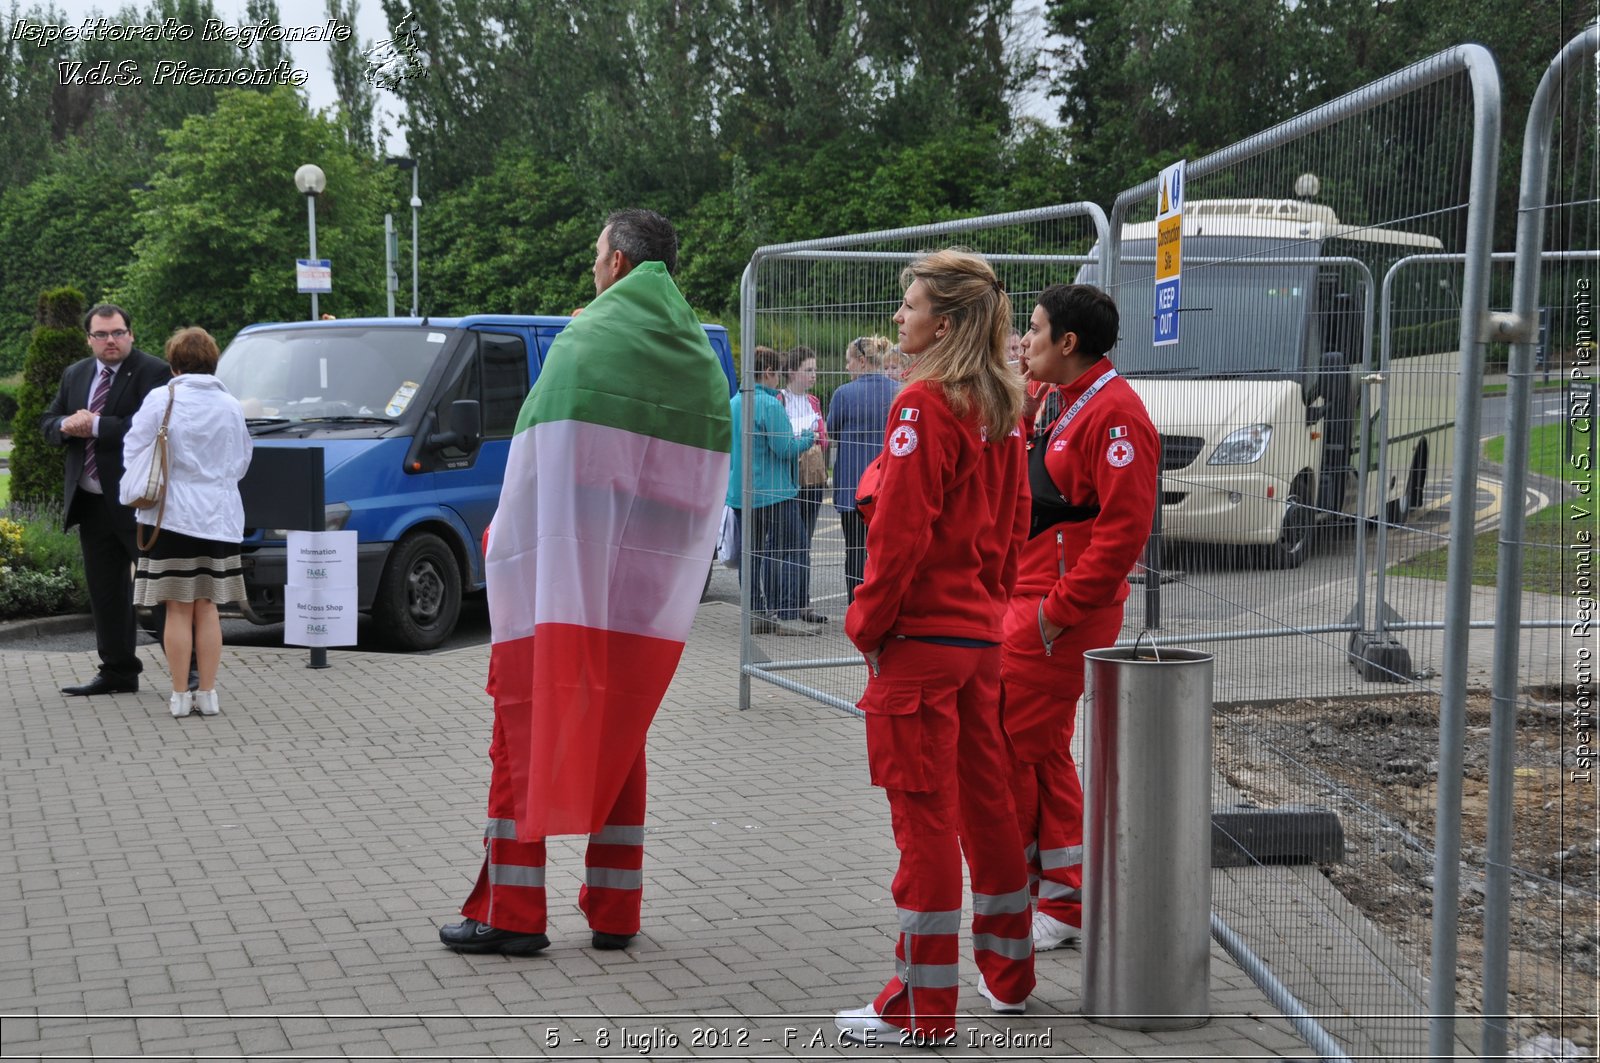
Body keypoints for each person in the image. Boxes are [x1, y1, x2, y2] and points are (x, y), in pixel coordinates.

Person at [438, 209, 731, 956]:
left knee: (521, 730)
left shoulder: (585, 341)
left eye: (597, 256)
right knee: (620, 731)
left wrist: (504, 543)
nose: (592, 268)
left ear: (622, 264)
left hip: (559, 583)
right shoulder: (696, 352)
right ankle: (614, 909)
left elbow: (540, 467)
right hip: (639, 596)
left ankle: (512, 913)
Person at [836, 249, 1035, 1044]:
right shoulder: (1001, 406)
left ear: (942, 323)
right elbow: (1015, 529)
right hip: (978, 638)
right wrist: (992, 607)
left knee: (924, 826)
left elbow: (899, 533)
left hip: (921, 642)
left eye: (909, 305)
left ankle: (921, 1009)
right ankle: (1008, 973)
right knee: (988, 809)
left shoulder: (922, 406)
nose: (898, 317)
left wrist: (866, 623)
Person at [1003, 284, 1159, 951]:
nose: (1024, 341)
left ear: (1068, 342)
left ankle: (1049, 901)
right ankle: (1062, 897)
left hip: (1059, 613)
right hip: (1031, 599)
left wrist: (1054, 615)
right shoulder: (1052, 397)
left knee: (1012, 746)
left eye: (1034, 331)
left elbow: (1122, 537)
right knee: (1036, 750)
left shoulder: (1118, 415)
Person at [120, 328, 252, 719]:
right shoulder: (230, 404)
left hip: (170, 517)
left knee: (177, 609)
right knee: (207, 607)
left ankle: (180, 695)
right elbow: (242, 461)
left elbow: (134, 449)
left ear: (174, 365)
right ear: (214, 363)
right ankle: (208, 695)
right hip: (219, 519)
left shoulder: (163, 397)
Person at [41, 304, 172, 697]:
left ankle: (191, 668)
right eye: (101, 334)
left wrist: (95, 425)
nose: (110, 341)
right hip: (91, 501)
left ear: (131, 334)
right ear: (89, 339)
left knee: (160, 590)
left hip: (137, 503)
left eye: (117, 333)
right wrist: (65, 425)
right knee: (106, 594)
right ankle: (118, 671)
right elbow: (47, 422)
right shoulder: (76, 374)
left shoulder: (154, 372)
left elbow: (151, 428)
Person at [726, 345, 818, 634]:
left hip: (742, 493)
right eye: (777, 374)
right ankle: (789, 617)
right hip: (776, 494)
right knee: (794, 548)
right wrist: (807, 436)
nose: (778, 380)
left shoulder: (734, 403)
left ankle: (755, 614)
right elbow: (785, 448)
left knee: (751, 554)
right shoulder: (769, 404)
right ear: (767, 372)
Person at [824, 336, 896, 602]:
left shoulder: (844, 394)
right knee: (884, 551)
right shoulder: (898, 390)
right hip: (886, 484)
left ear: (862, 361)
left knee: (854, 549)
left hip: (852, 487)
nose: (846, 368)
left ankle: (856, 606)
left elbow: (831, 431)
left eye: (849, 362)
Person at [780, 345, 829, 623]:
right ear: (792, 372)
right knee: (789, 543)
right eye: (808, 370)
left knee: (805, 542)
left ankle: (803, 604)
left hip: (812, 478)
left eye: (815, 369)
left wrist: (814, 435)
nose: (814, 374)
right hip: (789, 478)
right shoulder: (781, 400)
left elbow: (822, 438)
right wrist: (804, 435)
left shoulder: (813, 401)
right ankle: (782, 602)